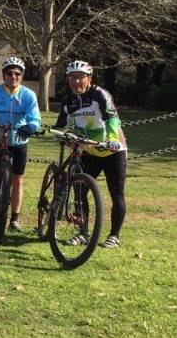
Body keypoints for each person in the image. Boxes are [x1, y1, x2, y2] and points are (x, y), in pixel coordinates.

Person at [54, 60, 127, 248]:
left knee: (116, 193)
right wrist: (63, 134)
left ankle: (114, 235)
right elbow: (63, 125)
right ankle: (83, 233)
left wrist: (112, 139)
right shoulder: (67, 100)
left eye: (79, 77)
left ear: (89, 78)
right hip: (87, 150)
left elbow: (112, 117)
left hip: (112, 150)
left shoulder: (99, 94)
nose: (75, 82)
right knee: (79, 192)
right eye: (71, 78)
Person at [0, 56, 41, 234]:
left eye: (17, 74)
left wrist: (30, 127)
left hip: (19, 141)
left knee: (17, 180)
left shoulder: (28, 95)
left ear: (22, 76)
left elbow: (35, 118)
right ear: (3, 75)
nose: (13, 77)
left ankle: (15, 218)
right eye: (9, 73)